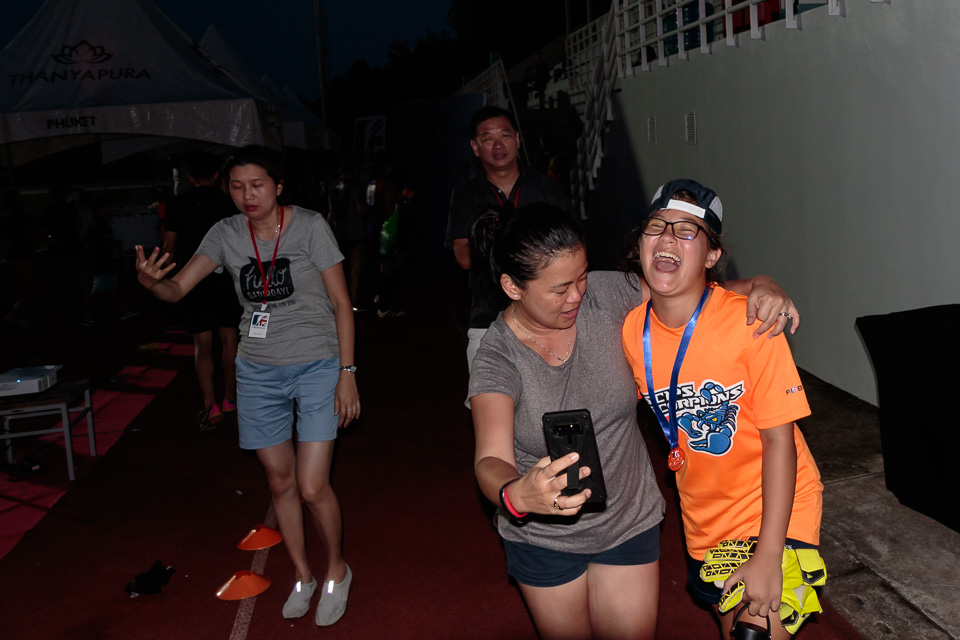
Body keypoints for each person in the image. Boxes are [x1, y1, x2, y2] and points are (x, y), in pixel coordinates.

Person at [467, 202, 799, 640]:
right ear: (512, 286)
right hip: (544, 538)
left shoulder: (605, 294)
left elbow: (697, 291)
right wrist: (516, 494)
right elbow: (490, 460)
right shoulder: (497, 356)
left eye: (581, 277)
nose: (577, 296)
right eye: (560, 289)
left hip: (628, 519)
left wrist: (763, 285)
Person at [134, 145, 358, 627]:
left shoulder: (310, 226)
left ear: (278, 186)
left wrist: (348, 374)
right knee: (279, 482)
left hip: (317, 364)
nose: (247, 195)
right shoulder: (225, 233)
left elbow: (342, 303)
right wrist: (151, 283)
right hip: (256, 370)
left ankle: (337, 570)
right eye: (236, 186)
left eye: (257, 185)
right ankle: (303, 575)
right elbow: (177, 289)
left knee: (312, 485)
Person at [620, 179, 823, 639]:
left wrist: (769, 553)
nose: (668, 237)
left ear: (712, 255)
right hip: (705, 521)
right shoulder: (632, 333)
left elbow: (780, 441)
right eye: (657, 226)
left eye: (687, 230)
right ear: (640, 244)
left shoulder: (752, 323)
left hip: (776, 508)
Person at [446, 106, 572, 371]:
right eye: (487, 138)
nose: (498, 145)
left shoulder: (547, 188)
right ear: (475, 147)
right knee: (488, 394)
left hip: (547, 320)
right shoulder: (465, 193)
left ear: (516, 139)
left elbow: (572, 250)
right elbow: (464, 257)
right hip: (487, 321)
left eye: (504, 135)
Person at [162, 153, 241, 429]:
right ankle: (230, 397)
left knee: (202, 343)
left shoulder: (177, 204)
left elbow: (169, 247)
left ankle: (210, 404)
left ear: (190, 177)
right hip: (228, 277)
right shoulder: (228, 201)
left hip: (193, 278)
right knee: (230, 339)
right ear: (217, 175)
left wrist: (169, 277)